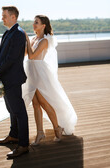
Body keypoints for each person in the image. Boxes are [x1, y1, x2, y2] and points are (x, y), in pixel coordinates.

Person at [22, 15, 77, 145]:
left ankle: (57, 128)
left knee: (44, 103)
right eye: (34, 22)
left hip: (40, 73)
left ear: (43, 25)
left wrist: (26, 39)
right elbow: (25, 54)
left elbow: (33, 55)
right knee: (35, 104)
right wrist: (25, 42)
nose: (33, 24)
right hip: (31, 72)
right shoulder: (34, 38)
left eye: (36, 22)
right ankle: (40, 133)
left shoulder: (45, 41)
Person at [0, 6, 29, 158]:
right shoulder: (8, 33)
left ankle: (24, 144)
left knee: (19, 112)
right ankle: (14, 136)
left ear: (13, 17)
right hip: (6, 78)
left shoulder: (18, 34)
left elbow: (11, 58)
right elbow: (2, 57)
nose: (2, 18)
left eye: (4, 16)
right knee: (11, 110)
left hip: (13, 78)